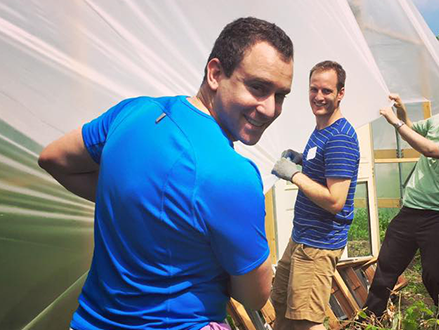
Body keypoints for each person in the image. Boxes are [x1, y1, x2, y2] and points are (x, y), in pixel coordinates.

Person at [37, 17, 294, 330]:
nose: (270, 108)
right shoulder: (232, 174)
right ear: (215, 74)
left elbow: (53, 158)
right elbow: (254, 296)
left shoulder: (133, 112)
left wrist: (136, 205)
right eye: (258, 87)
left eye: (280, 95)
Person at [364, 85, 439, 326]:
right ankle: (369, 321)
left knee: (435, 276)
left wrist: (394, 123)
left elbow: (430, 149)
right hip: (411, 209)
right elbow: (413, 131)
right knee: (385, 268)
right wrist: (401, 114)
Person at [270, 60, 360, 330]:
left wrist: (294, 175)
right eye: (314, 89)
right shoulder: (323, 130)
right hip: (301, 238)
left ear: (340, 93)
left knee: (306, 322)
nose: (318, 97)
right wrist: (303, 161)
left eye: (327, 91)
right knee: (282, 309)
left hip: (318, 244)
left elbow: (335, 201)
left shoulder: (340, 138)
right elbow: (325, 170)